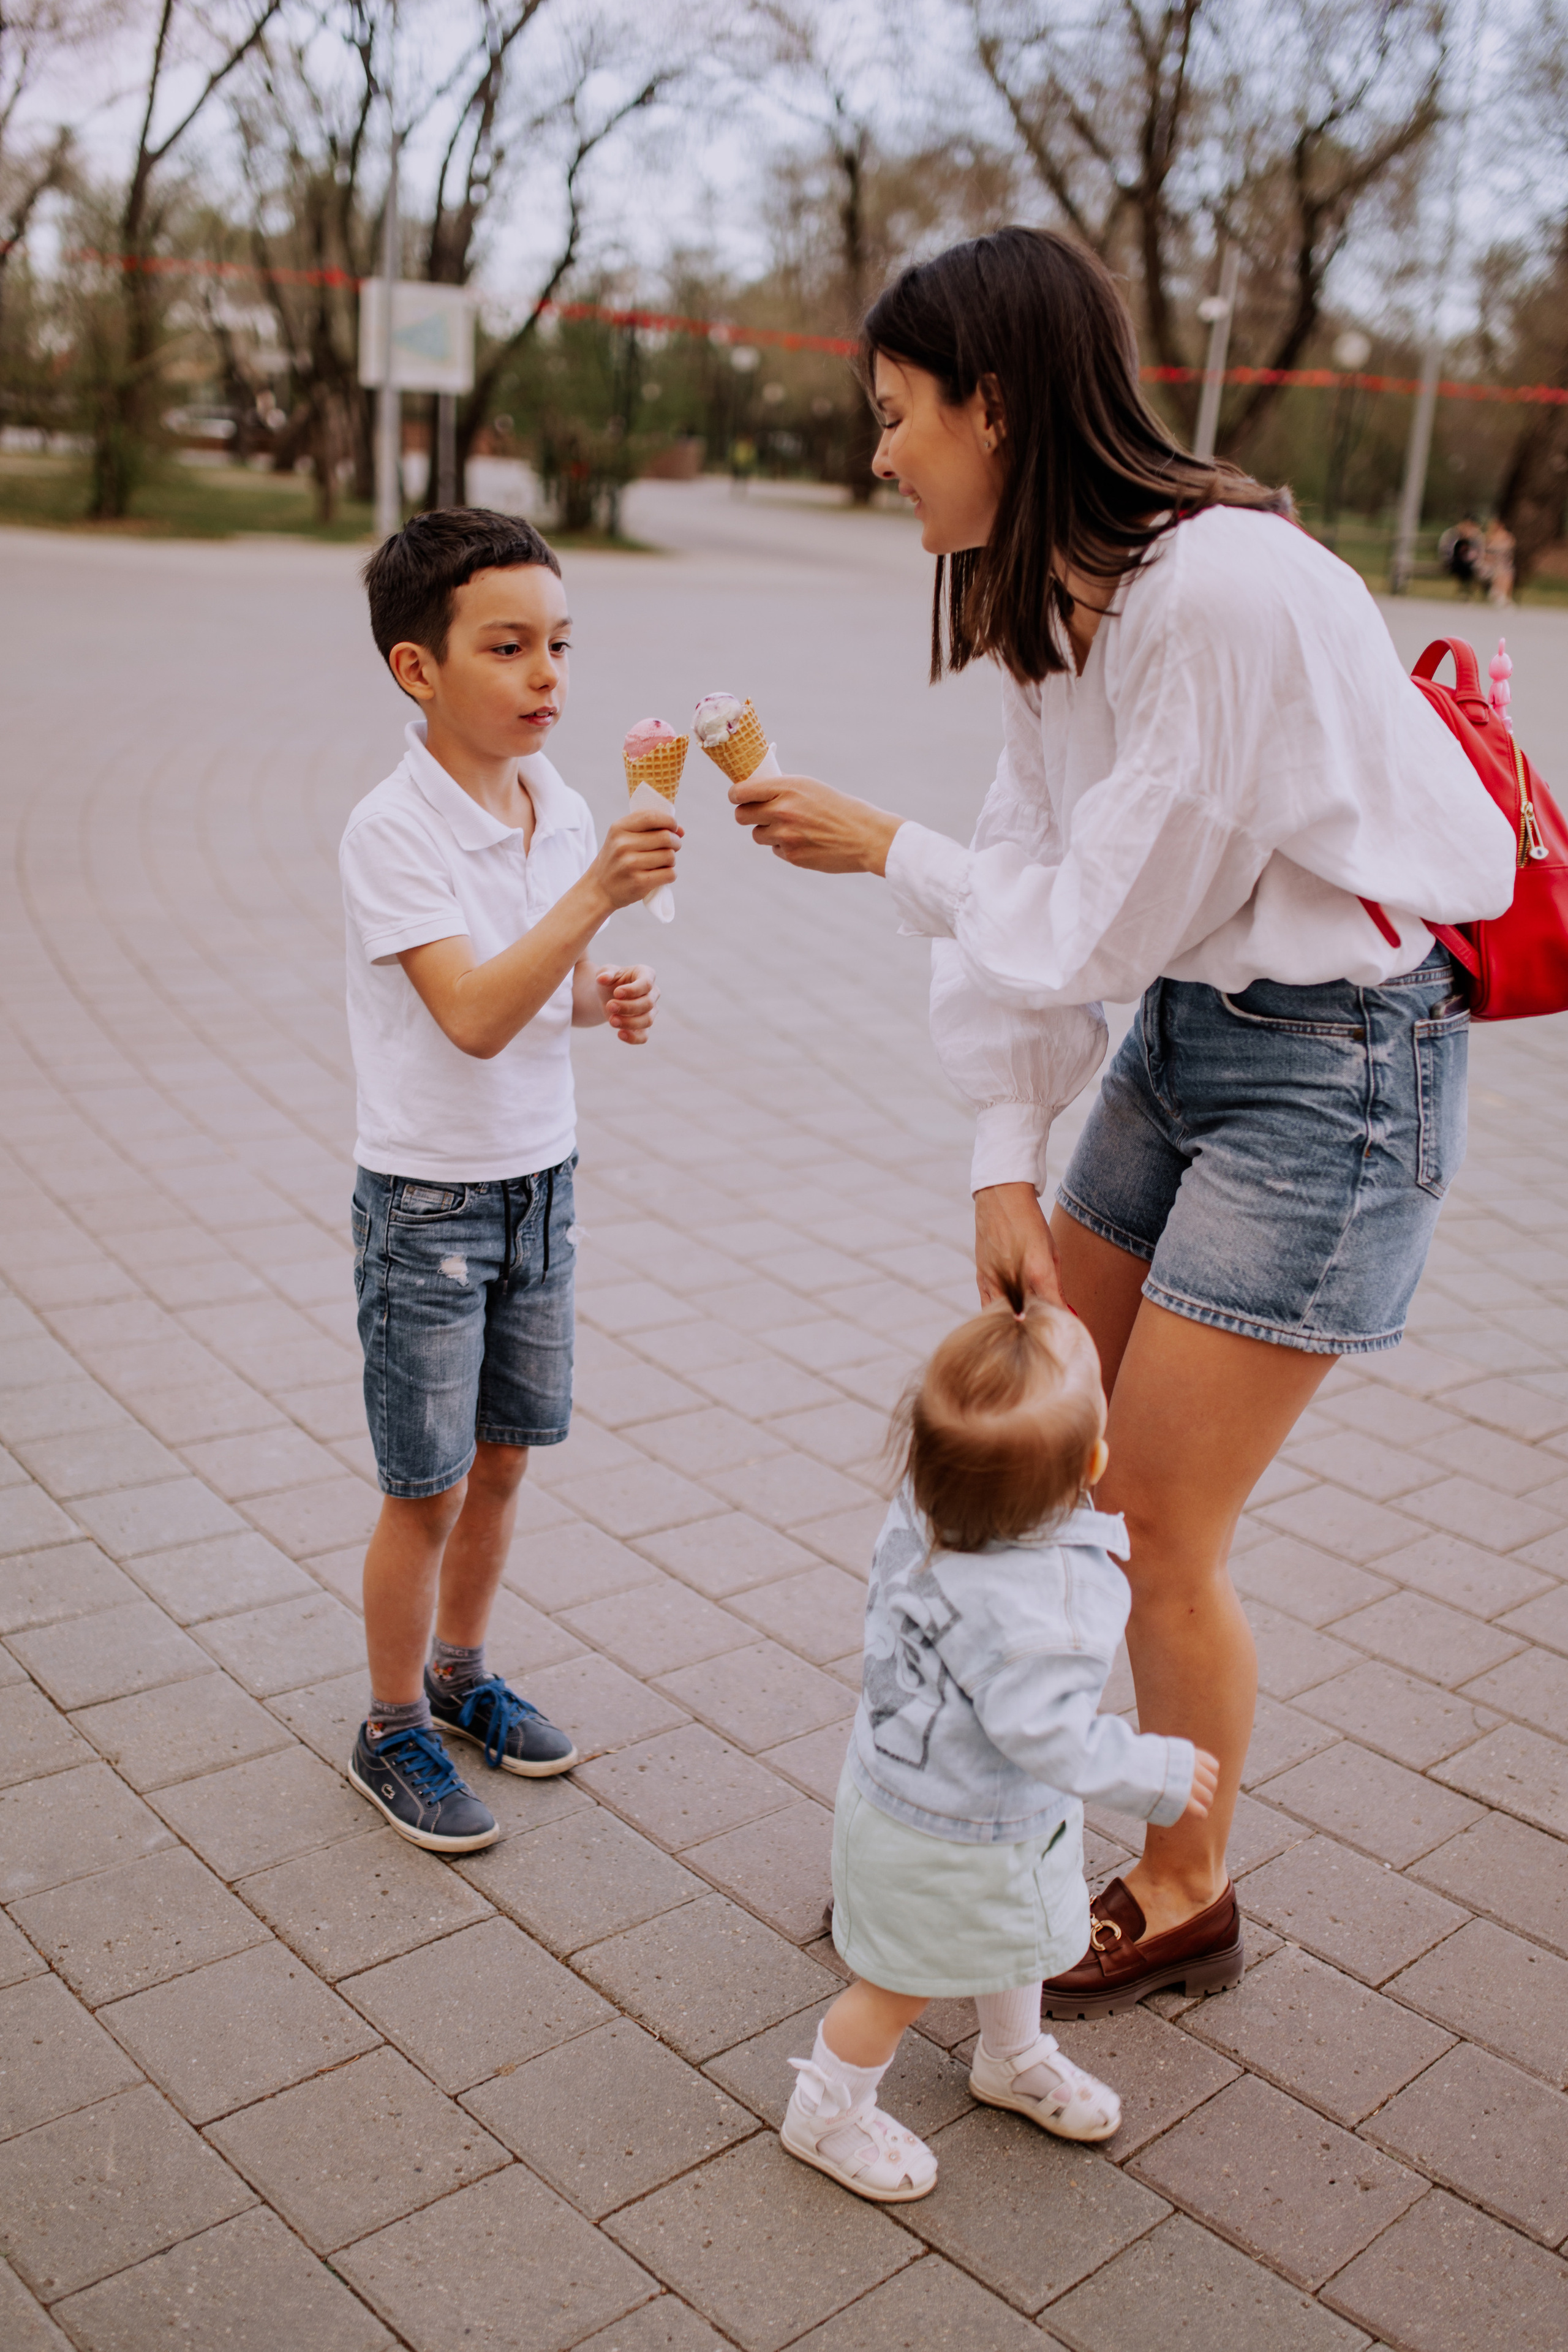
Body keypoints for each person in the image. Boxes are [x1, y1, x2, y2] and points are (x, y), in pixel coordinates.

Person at [729, 228, 1515, 2010]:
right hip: (1184, 1038)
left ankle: (1181, 1885)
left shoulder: (1224, 590)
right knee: (1018, 1463)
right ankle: (966, 1834)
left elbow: (1095, 912)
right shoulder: (1055, 599)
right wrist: (1001, 1151)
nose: (881, 454)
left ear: (993, 403)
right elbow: (1050, 878)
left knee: (1152, 1514)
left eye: (896, 415)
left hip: (1331, 1070)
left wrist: (879, 847)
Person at [340, 508, 680, 1852]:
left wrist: (607, 999)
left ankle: (460, 1672)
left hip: (541, 1185)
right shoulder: (390, 830)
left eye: (558, 643)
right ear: (417, 670)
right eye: (507, 646)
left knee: (500, 1464)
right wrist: (591, 904)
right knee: (421, 1488)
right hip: (428, 1204)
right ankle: (387, 1728)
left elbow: (540, 998)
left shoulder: (563, 804)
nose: (546, 674)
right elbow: (472, 1014)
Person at [782, 1297, 1218, 2202]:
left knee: (1019, 1942)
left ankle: (1013, 2055)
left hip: (915, 1791)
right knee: (895, 1988)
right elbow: (1052, 1735)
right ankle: (825, 2111)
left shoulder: (924, 1506)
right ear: (1093, 1465)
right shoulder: (1042, 1607)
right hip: (955, 1839)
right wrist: (1157, 1773)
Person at [1483, 515, 1515, 606]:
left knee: (1508, 573)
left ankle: (1504, 595)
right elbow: (1486, 554)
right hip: (1491, 562)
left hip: (1503, 562)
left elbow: (1510, 550)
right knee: (1500, 570)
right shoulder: (1489, 536)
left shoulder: (1507, 536)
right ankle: (1498, 593)